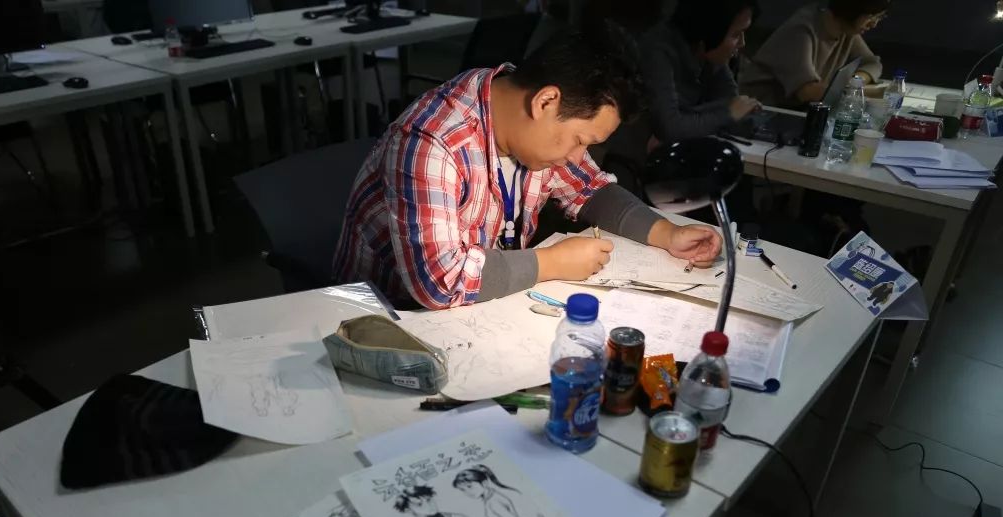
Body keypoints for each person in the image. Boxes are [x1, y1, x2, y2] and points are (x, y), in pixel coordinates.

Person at [333, 22, 723, 311]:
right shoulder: (432, 142)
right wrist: (551, 262)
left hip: (480, 305)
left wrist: (667, 233)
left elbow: (590, 188)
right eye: (580, 140)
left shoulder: (528, 123)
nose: (578, 157)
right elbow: (440, 281)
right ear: (545, 101)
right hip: (387, 315)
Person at [638, 0, 762, 143]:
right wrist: (727, 114)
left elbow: (730, 101)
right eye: (735, 35)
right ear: (710, 33)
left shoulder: (710, 53)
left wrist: (687, 118)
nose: (742, 43)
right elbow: (670, 129)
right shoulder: (658, 52)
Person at [739, 0, 888, 108]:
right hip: (760, 110)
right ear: (852, 9)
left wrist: (855, 81)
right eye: (871, 16)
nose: (874, 24)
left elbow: (872, 63)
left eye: (879, 18)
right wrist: (866, 93)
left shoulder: (846, 30)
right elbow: (808, 91)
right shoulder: (803, 29)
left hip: (795, 110)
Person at [452, 465, 528, 517]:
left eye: (469, 486)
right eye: (463, 490)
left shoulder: (493, 501)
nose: (468, 492)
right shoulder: (490, 498)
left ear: (484, 483)